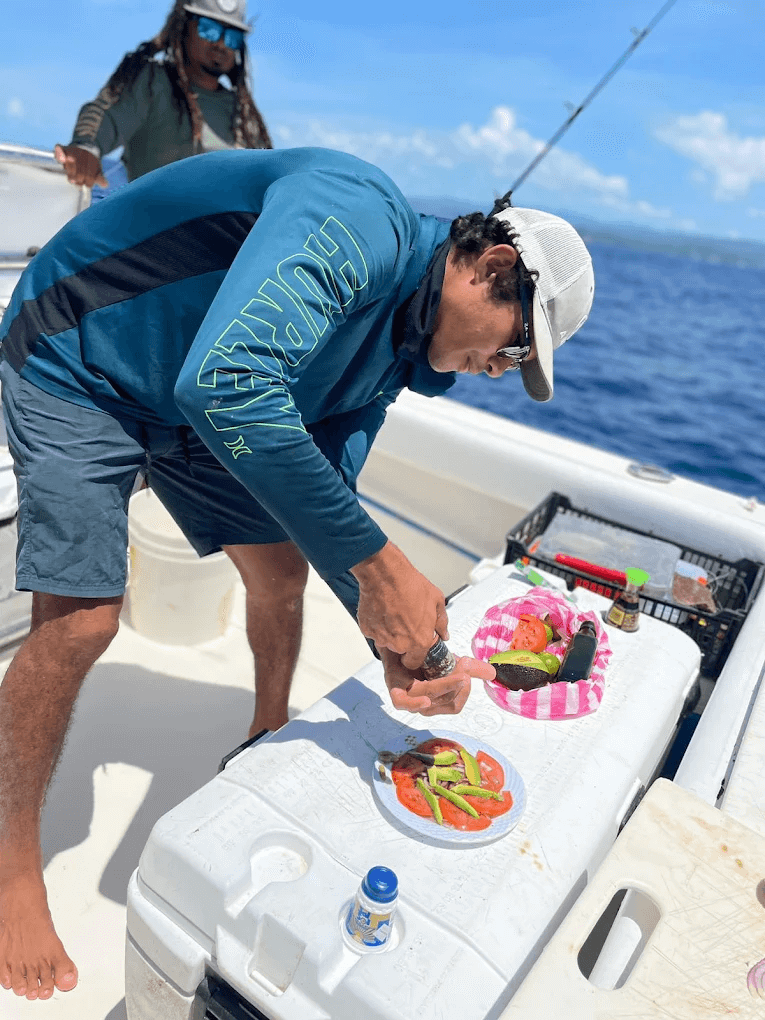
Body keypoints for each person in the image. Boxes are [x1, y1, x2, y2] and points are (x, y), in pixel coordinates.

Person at [0, 146, 594, 1000]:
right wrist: (382, 568)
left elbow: (323, 497)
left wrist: (392, 636)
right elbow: (229, 385)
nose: (493, 373)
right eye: (506, 353)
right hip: (81, 350)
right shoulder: (354, 216)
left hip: (186, 397)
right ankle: (13, 866)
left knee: (279, 572)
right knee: (85, 620)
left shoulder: (401, 353)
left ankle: (265, 729)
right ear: (490, 267)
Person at [53, 0, 271, 189]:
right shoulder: (152, 82)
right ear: (184, 27)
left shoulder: (243, 113)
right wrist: (85, 149)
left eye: (232, 37)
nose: (221, 44)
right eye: (208, 29)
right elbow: (106, 115)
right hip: (155, 232)